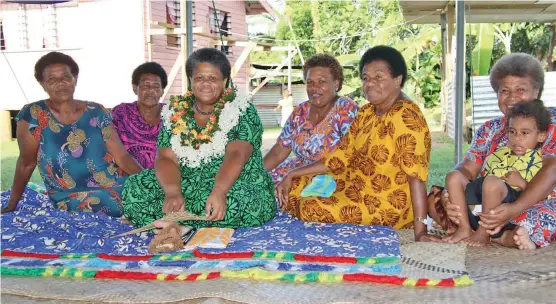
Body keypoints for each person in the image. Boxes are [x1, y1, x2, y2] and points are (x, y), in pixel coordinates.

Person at [276, 46, 439, 242]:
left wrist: (420, 228)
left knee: (312, 208)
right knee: (293, 186)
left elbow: (416, 177)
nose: (369, 84)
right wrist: (292, 173)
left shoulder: (406, 116)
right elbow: (340, 156)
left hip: (385, 202)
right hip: (354, 187)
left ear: (398, 79)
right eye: (365, 78)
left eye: (378, 77)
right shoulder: (366, 112)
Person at [436, 53, 556, 249]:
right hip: (495, 200)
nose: (512, 97)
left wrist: (514, 209)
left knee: (543, 218)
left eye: (521, 89)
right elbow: (467, 168)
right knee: (438, 200)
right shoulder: (489, 129)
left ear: (536, 91)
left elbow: (554, 169)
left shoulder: (555, 120)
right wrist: (451, 195)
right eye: (505, 90)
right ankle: (498, 231)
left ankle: (499, 234)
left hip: (550, 200)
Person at [122, 48, 276, 239]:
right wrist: (172, 191)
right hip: (186, 181)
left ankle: (177, 224)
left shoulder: (241, 109)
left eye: (212, 78)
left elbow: (236, 154)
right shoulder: (174, 111)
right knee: (135, 187)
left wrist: (219, 191)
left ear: (225, 81)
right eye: (199, 78)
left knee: (244, 201)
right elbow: (166, 157)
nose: (205, 84)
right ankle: (183, 224)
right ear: (190, 80)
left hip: (233, 181)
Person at [1, 52, 143, 216]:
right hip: (71, 195)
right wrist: (11, 204)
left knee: (162, 192)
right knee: (126, 203)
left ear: (75, 79)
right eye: (52, 79)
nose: (61, 83)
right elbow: (26, 163)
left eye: (66, 77)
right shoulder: (33, 115)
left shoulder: (97, 111)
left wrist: (150, 180)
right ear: (42, 84)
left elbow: (122, 156)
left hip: (113, 184)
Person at [443, 99, 550, 246]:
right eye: (512, 132)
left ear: (541, 136)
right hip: (481, 205)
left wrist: (522, 184)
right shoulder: (499, 153)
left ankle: (485, 233)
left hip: (508, 211)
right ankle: (464, 228)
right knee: (453, 177)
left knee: (492, 184)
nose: (517, 138)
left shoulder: (538, 161)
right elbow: (482, 179)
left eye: (525, 133)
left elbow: (542, 195)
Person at [263, 54, 358, 184]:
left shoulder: (347, 111)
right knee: (254, 186)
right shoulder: (300, 113)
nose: (314, 87)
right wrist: (255, 172)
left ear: (336, 83)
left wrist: (294, 174)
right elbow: (279, 152)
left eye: (322, 81)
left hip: (333, 179)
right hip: (296, 172)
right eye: (310, 82)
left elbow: (346, 157)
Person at [112, 62, 168, 169]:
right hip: (129, 179)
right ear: (135, 88)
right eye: (145, 85)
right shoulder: (121, 114)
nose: (150, 91)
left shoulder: (173, 115)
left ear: (162, 91)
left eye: (156, 86)